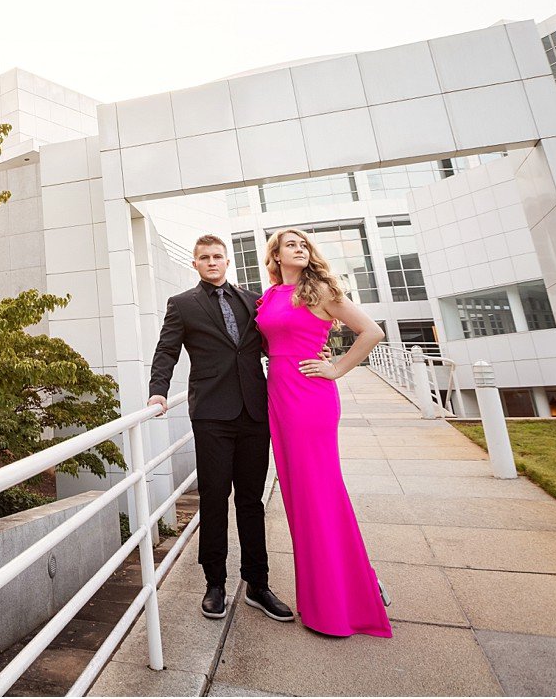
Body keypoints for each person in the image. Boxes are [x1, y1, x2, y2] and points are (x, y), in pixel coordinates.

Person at [147, 235, 294, 623]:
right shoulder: (182, 305)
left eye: (217, 257)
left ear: (227, 261)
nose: (211, 262)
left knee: (251, 501)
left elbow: (273, 340)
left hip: (253, 412)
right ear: (195, 263)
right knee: (214, 498)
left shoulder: (252, 300)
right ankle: (215, 584)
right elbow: (167, 350)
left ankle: (258, 584)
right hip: (212, 413)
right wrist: (157, 392)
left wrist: (313, 353)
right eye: (204, 258)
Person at [256, 227, 393, 638]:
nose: (299, 249)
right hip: (279, 396)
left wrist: (335, 368)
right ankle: (347, 586)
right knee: (300, 497)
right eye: (290, 245)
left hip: (310, 397)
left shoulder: (322, 291)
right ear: (276, 256)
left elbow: (372, 332)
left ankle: (346, 597)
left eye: (303, 245)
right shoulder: (269, 296)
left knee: (319, 492)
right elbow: (269, 340)